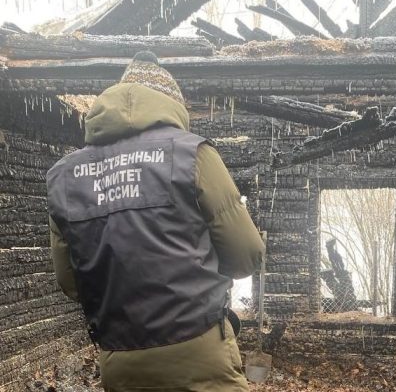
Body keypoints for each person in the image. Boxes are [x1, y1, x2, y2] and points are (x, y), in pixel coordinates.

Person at [47, 51, 265, 392]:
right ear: (171, 106)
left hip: (120, 359)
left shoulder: (64, 177)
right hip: (200, 347)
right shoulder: (191, 154)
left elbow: (71, 283)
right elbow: (246, 256)